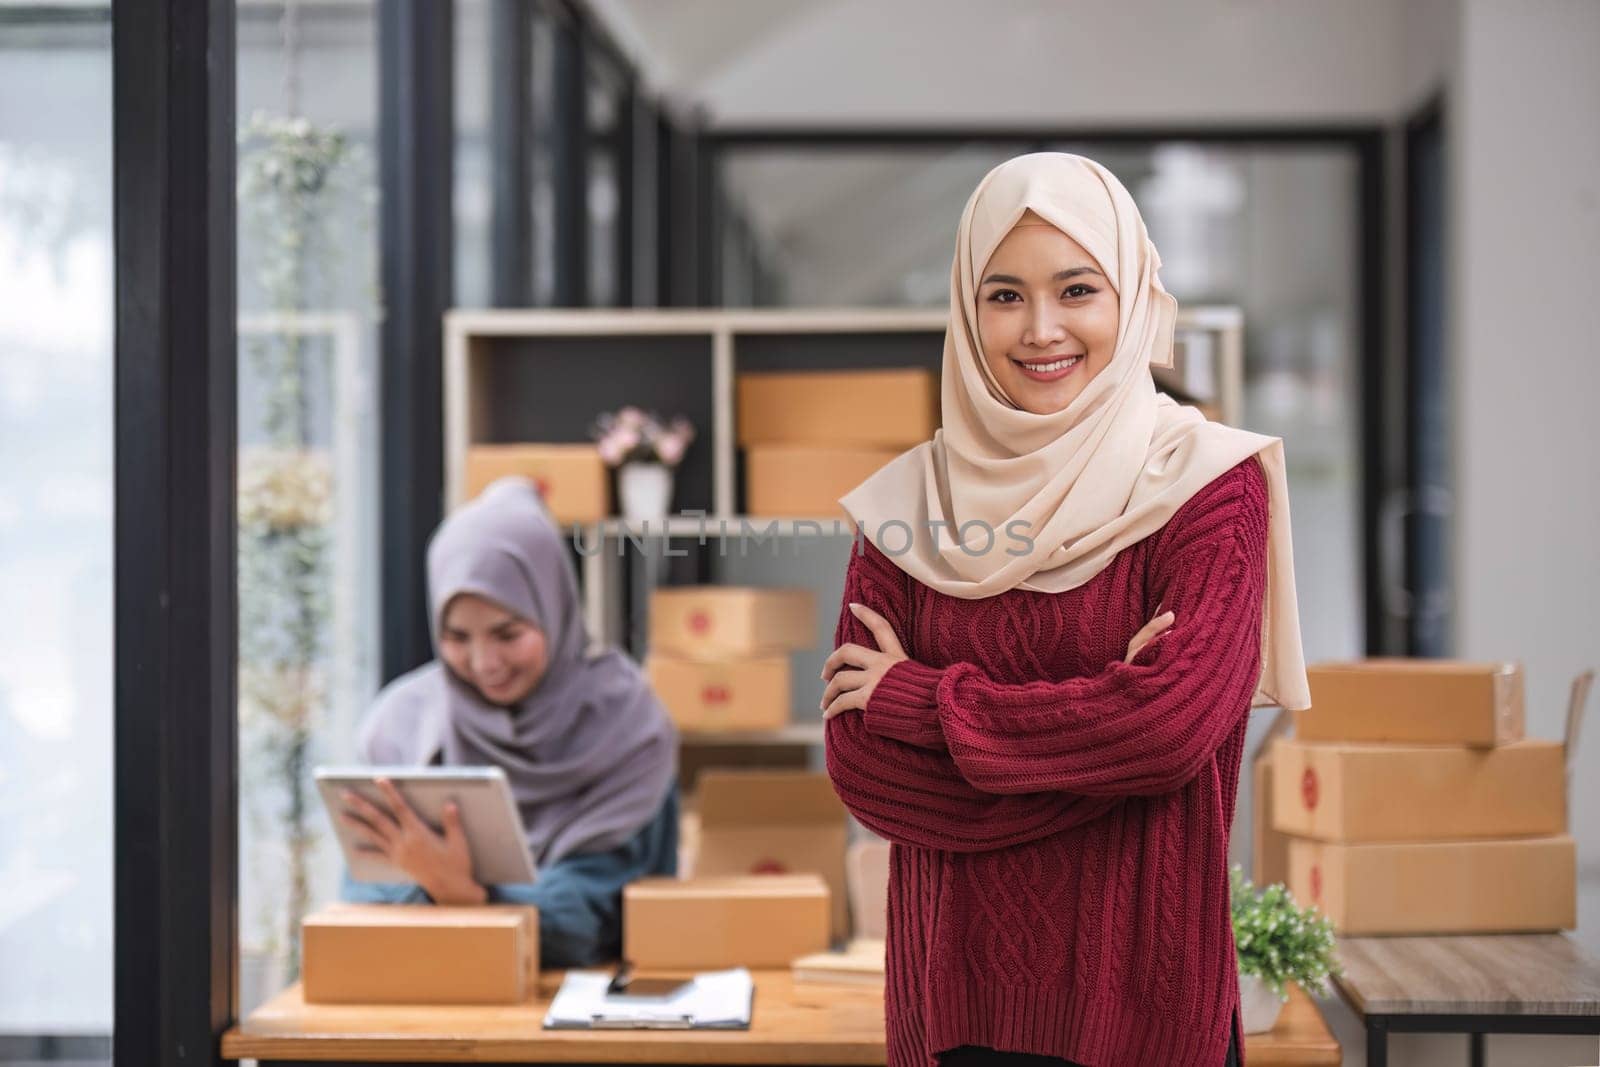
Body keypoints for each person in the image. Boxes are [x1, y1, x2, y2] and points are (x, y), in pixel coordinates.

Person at [820, 153, 1311, 1067]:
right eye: (1003, 295)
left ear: (1129, 296)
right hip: (952, 1017)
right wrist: (1107, 740)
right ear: (967, 310)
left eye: (1076, 288)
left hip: (1147, 1019)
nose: (1040, 329)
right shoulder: (908, 502)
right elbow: (862, 770)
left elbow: (1170, 730)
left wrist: (924, 704)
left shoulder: (1208, 485)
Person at [338, 477, 680, 968]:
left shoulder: (627, 726)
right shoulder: (402, 724)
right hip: (423, 1001)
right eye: (457, 637)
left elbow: (590, 920)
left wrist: (458, 891)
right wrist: (457, 892)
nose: (484, 663)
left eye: (508, 633)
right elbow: (361, 902)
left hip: (590, 1014)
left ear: (554, 606)